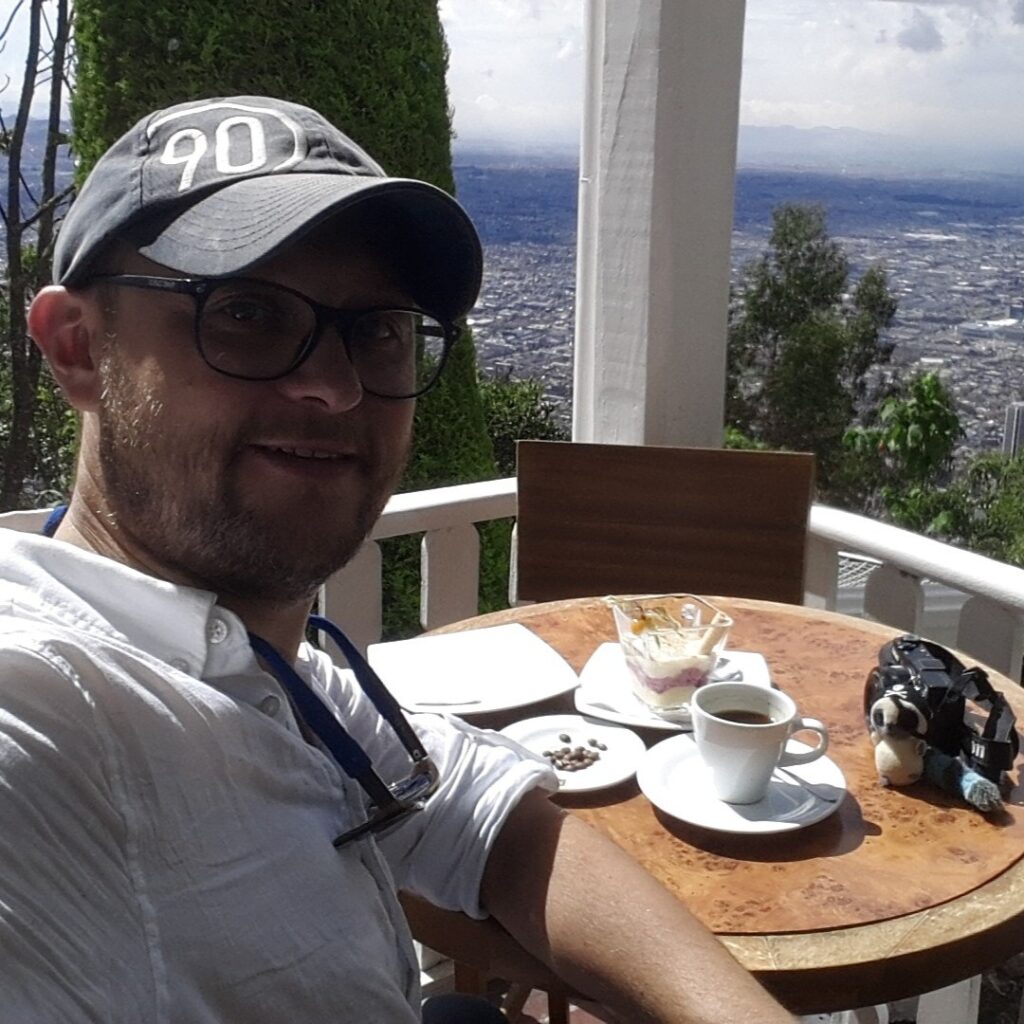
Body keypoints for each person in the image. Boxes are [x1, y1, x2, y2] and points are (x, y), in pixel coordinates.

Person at [1, 94, 794, 1023]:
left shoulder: (248, 661)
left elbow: (486, 816)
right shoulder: (41, 719)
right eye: (248, 313)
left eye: (376, 330)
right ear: (77, 347)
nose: (335, 387)